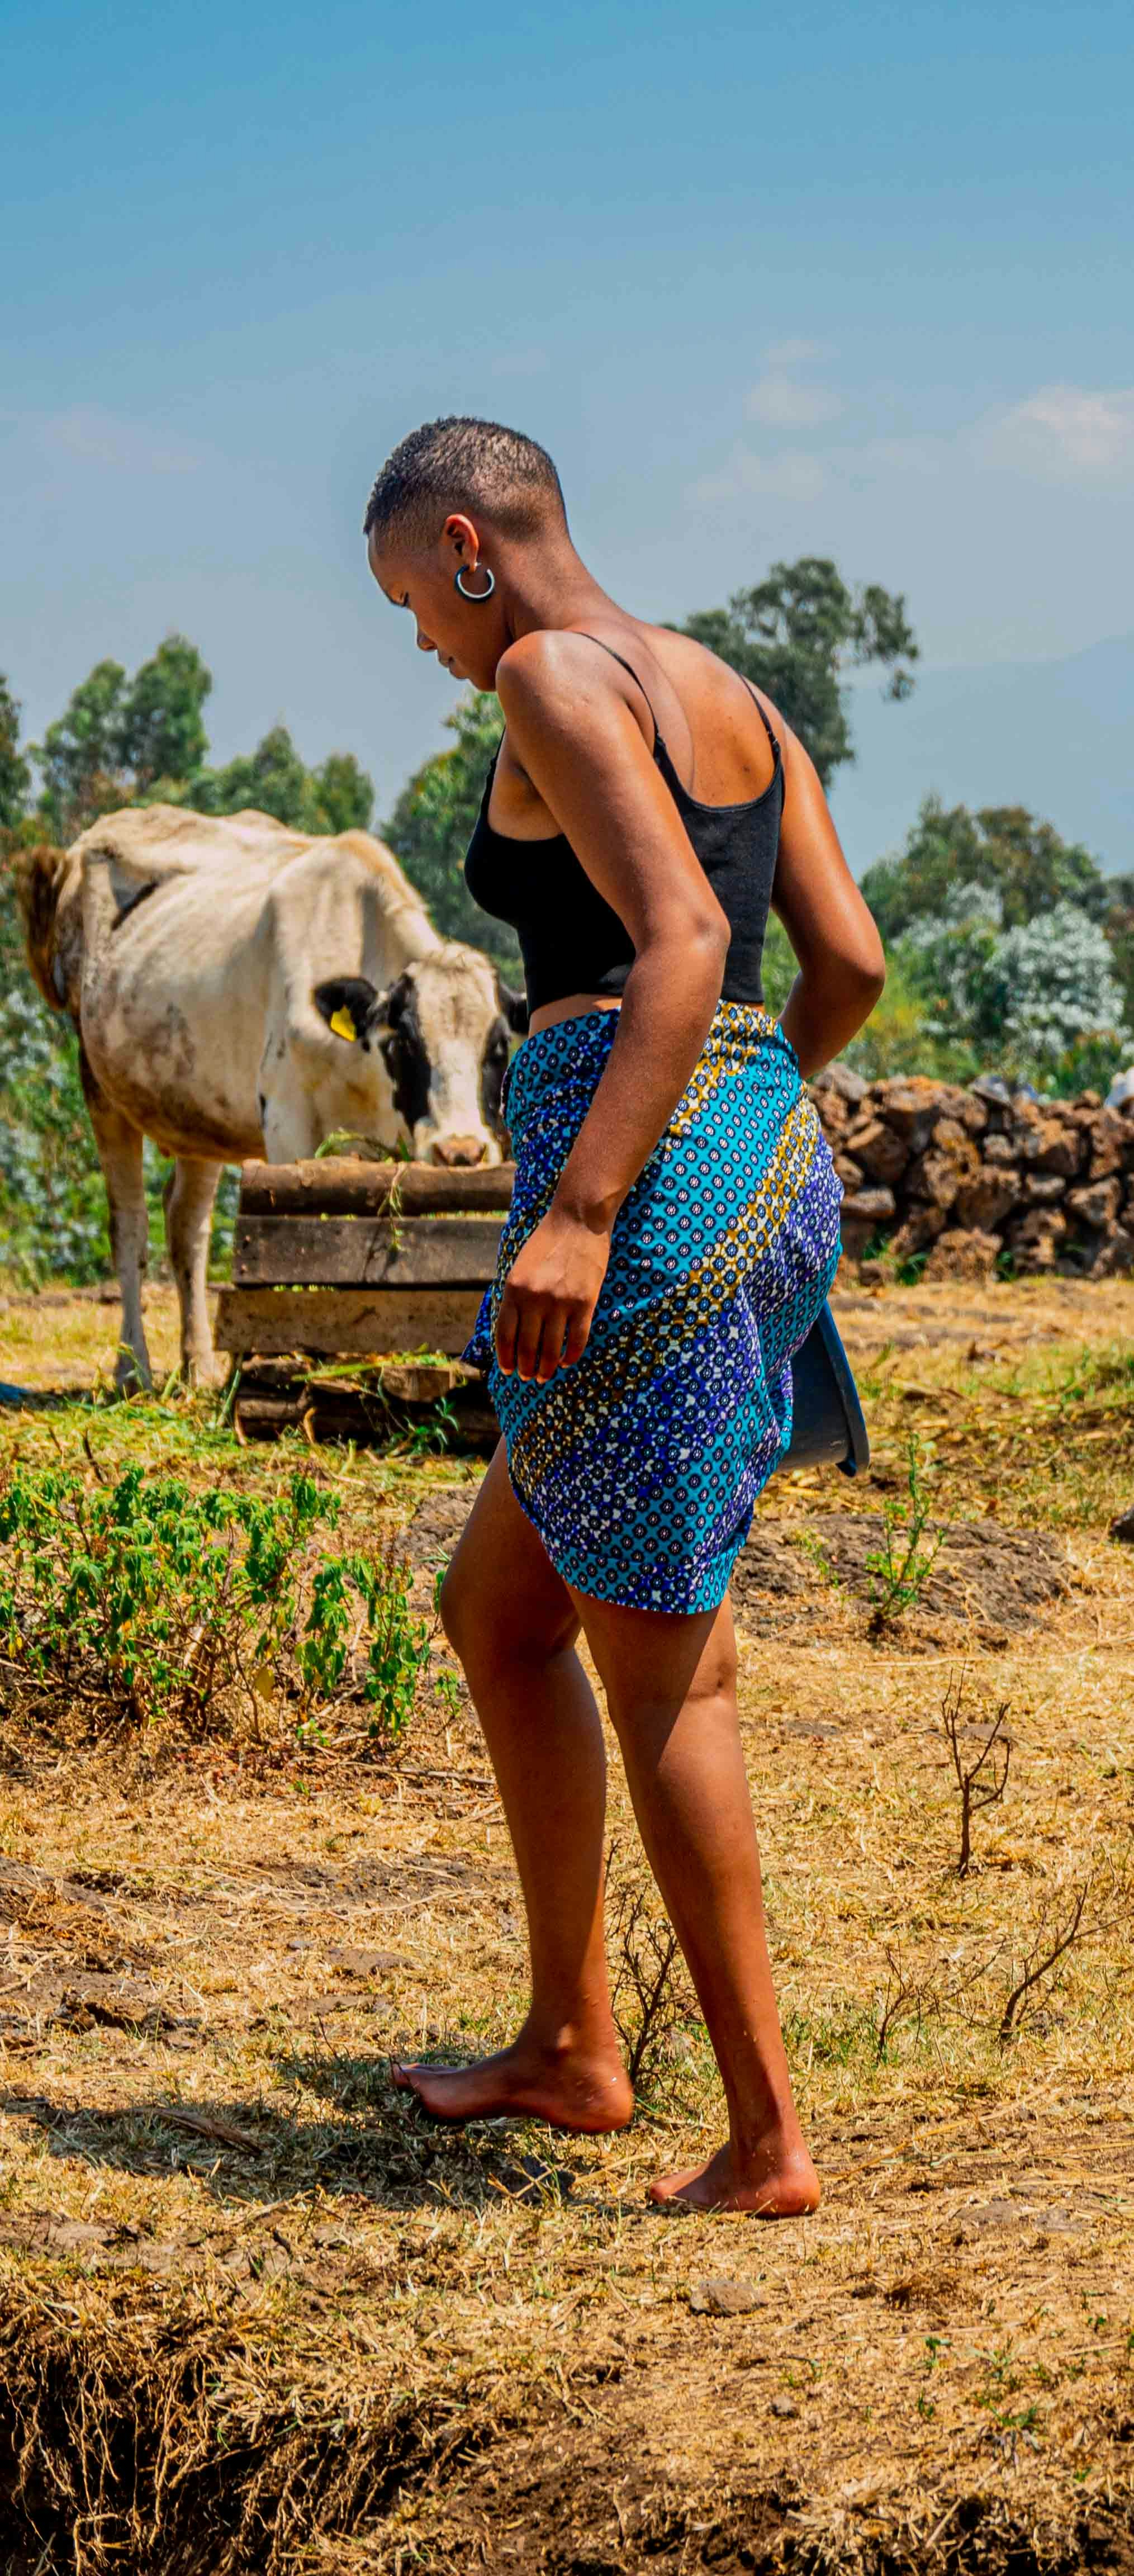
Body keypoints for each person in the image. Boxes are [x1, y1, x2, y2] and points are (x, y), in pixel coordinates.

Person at [364, 417, 885, 2213]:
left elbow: (671, 943)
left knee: (667, 1672)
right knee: (504, 1611)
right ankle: (574, 2045)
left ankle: (767, 2140)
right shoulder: (735, 693)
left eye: (411, 600)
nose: (422, 641)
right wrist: (742, 1136)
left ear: (468, 545)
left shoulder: (549, 680)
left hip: (634, 1206)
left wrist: (597, 1204)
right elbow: (848, 966)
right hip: (751, 1167)